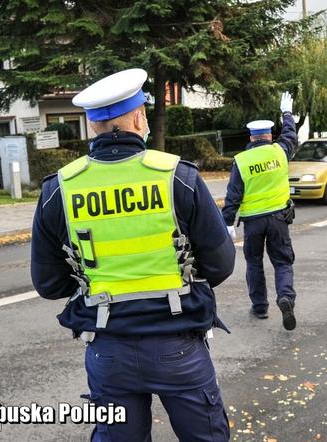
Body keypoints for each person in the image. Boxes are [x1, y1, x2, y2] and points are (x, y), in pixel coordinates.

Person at [30, 68, 235, 442]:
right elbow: (220, 265)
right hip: (179, 345)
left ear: (92, 126)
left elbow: (48, 284)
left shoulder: (59, 189)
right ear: (140, 117)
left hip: (108, 351)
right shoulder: (178, 176)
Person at [222, 92, 298, 331]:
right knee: (283, 262)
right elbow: (290, 135)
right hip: (279, 218)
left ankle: (260, 307)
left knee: (254, 263)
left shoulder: (242, 161)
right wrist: (287, 114)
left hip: (253, 222)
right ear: (269, 135)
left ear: (252, 137)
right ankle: (285, 297)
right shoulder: (280, 151)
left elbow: (233, 195)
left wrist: (227, 223)